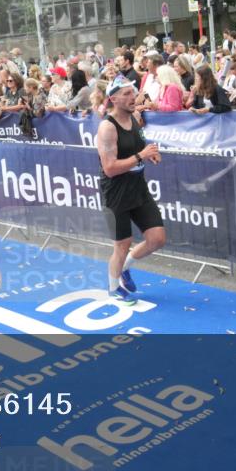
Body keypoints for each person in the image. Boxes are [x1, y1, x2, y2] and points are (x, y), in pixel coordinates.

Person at [96, 76, 166, 304]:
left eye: (132, 92)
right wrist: (140, 156)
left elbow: (139, 147)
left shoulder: (135, 117)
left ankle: (125, 268)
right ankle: (113, 286)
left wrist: (150, 154)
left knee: (157, 238)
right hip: (115, 192)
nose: (132, 97)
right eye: (125, 94)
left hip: (138, 187)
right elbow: (110, 169)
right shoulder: (107, 127)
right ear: (113, 99)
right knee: (122, 245)